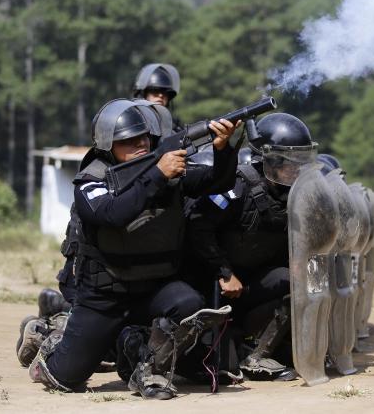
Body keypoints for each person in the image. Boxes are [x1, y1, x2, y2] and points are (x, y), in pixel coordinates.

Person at [26, 98, 241, 400]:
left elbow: (217, 182)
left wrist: (222, 149)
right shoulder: (91, 180)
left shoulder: (167, 170)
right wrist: (157, 175)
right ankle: (46, 333)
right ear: (107, 145)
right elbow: (111, 213)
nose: (139, 144)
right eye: (127, 140)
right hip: (105, 296)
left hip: (152, 288)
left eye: (143, 137)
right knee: (63, 377)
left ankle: (150, 370)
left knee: (189, 302)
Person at [185, 113, 318, 380]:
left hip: (254, 283)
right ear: (270, 160)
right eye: (291, 162)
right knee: (222, 365)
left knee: (299, 281)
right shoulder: (237, 185)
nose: (297, 169)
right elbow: (198, 227)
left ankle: (259, 356)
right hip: (217, 285)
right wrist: (224, 272)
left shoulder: (296, 193)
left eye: (302, 161)